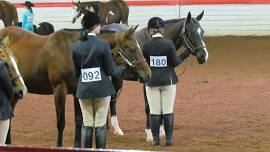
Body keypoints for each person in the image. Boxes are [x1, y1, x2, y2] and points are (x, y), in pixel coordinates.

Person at [72, 12, 126, 149]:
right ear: (95, 26)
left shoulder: (76, 47)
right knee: (101, 124)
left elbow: (76, 72)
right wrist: (122, 69)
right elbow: (110, 70)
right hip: (102, 89)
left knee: (87, 123)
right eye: (99, 25)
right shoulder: (103, 45)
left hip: (83, 90)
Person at [142, 17, 191, 146]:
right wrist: (185, 54)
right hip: (168, 81)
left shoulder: (146, 46)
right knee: (168, 110)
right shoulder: (168, 43)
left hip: (152, 82)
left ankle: (156, 139)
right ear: (162, 29)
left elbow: (144, 64)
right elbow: (175, 63)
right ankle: (169, 139)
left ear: (150, 30)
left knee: (154, 111)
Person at [0, 58, 15, 144]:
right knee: (1, 145)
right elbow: (8, 88)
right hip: (2, 110)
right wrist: (9, 98)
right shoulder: (1, 65)